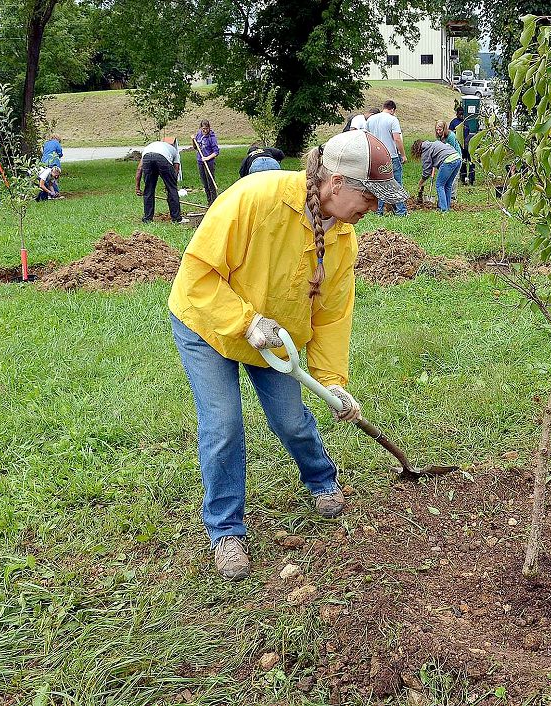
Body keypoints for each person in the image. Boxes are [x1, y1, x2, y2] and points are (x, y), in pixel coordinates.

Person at [168, 129, 409, 581]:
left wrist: (333, 381)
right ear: (336, 184)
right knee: (223, 423)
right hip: (207, 323)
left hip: (277, 339)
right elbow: (198, 274)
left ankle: (321, 481)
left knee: (292, 419)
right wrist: (245, 322)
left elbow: (333, 316)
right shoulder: (257, 197)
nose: (373, 209)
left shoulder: (342, 238)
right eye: (370, 197)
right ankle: (226, 530)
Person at [366, 100, 407, 216]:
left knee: (380, 183)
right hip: (391, 156)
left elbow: (367, 137)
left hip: (376, 156)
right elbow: (397, 139)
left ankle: (379, 211)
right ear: (393, 110)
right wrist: (403, 155)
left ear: (384, 107)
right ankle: (401, 211)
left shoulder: (370, 120)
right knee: (396, 183)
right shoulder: (392, 119)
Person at [135, 137, 186, 223]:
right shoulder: (173, 150)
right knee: (172, 190)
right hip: (162, 159)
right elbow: (176, 167)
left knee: (148, 190)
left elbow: (139, 169)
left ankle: (147, 219)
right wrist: (172, 183)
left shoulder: (149, 147)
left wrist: (137, 187)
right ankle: (176, 218)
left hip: (148, 158)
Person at [411, 138, 461, 213]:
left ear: (417, 149)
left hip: (448, 161)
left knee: (439, 185)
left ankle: (443, 209)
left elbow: (426, 171)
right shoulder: (434, 144)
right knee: (448, 185)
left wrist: (421, 182)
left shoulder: (425, 151)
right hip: (457, 158)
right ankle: (447, 207)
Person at [449, 106, 476, 186]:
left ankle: (471, 179)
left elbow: (468, 132)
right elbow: (450, 133)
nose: (461, 115)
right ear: (457, 114)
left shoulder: (465, 122)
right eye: (459, 114)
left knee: (471, 162)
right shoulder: (453, 122)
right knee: (463, 162)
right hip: (459, 145)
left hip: (468, 145)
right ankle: (463, 178)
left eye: (462, 114)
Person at [435, 120, 461, 201]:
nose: (438, 131)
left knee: (453, 179)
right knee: (444, 179)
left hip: (455, 157)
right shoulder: (438, 137)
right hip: (445, 158)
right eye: (437, 130)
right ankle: (445, 199)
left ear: (444, 129)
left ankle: (452, 197)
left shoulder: (451, 136)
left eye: (440, 130)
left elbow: (452, 151)